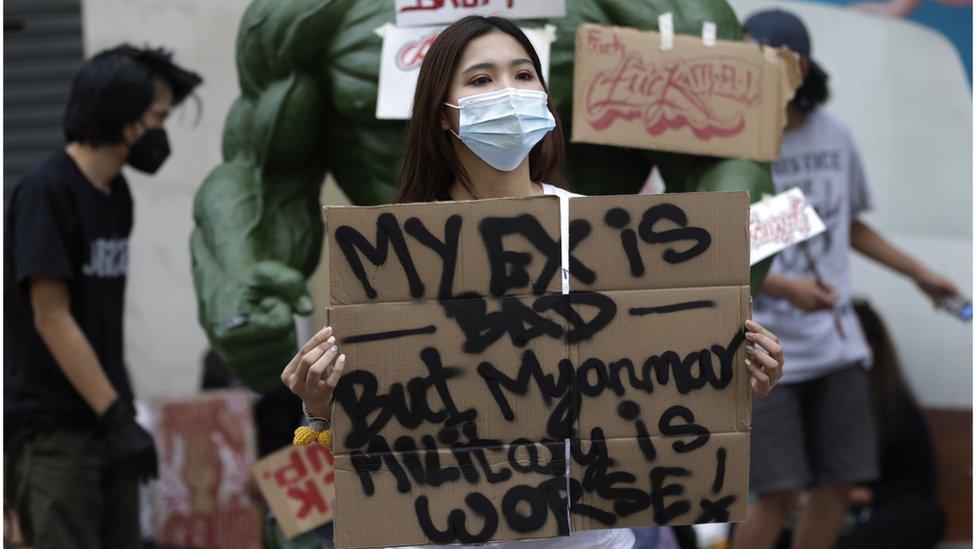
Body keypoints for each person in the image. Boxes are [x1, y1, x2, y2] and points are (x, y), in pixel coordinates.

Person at [280, 15, 786, 549]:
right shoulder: (388, 252)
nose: (509, 91)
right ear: (443, 115)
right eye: (481, 80)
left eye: (523, 74)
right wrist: (317, 404)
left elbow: (657, 378)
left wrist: (733, 381)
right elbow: (375, 407)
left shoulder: (609, 236)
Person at [731, 10, 962, 549]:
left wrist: (921, 274)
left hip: (837, 346)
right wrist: (786, 289)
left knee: (838, 483)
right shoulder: (733, 143)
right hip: (766, 351)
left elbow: (850, 225)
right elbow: (713, 247)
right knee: (778, 491)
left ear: (800, 67)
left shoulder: (835, 134)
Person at [4, 45, 201, 548]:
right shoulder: (45, 192)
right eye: (156, 118)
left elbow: (102, 319)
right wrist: (116, 415)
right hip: (57, 436)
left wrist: (124, 414)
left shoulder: (117, 197)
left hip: (107, 425)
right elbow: (51, 317)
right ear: (124, 120)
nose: (159, 133)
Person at [835, 299, 945, 549]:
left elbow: (921, 482)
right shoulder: (803, 401)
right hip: (813, 506)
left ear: (872, 346)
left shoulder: (894, 404)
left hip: (875, 512)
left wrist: (867, 495)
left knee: (924, 515)